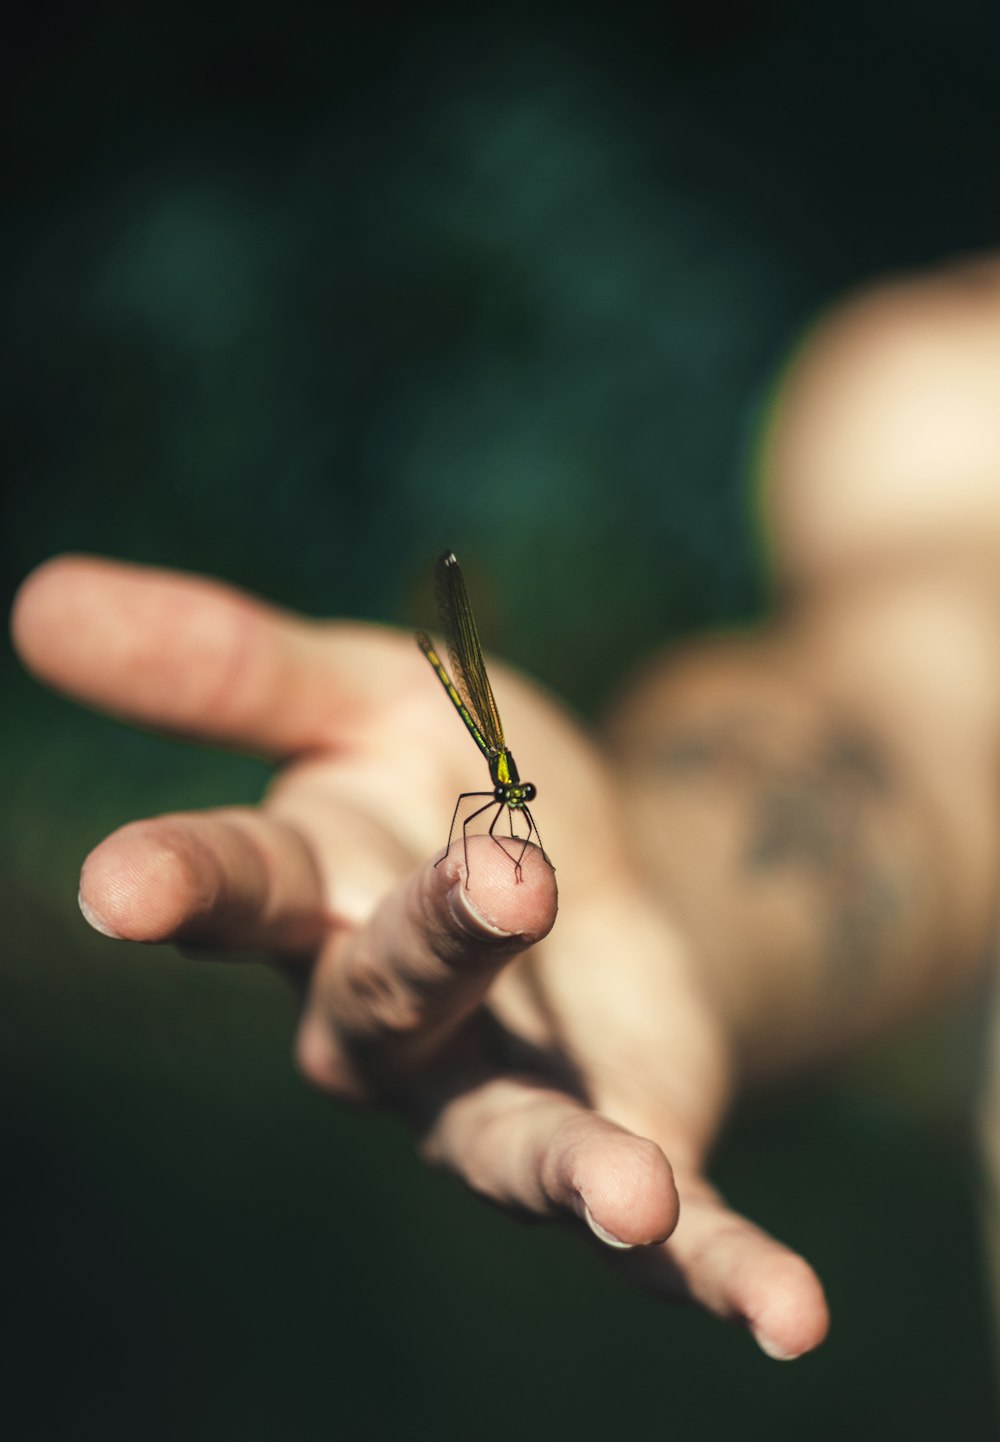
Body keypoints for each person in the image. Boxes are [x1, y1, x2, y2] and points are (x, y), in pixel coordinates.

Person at [11, 252, 1000, 1364]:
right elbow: (923, 725)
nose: (509, 803)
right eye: (509, 799)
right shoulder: (951, 394)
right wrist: (657, 904)